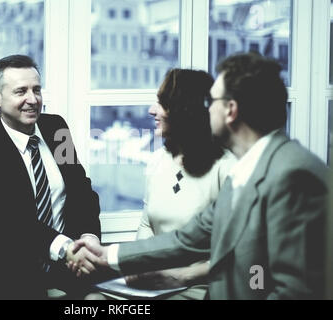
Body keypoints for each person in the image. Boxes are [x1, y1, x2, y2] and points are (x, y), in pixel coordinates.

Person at [70, 52, 330, 300]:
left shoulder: (295, 176)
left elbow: (292, 290)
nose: (205, 109)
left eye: (211, 102)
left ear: (231, 110)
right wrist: (109, 256)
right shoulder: (248, 169)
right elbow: (189, 240)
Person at [0, 54, 101, 299]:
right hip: (5, 265)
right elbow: (11, 223)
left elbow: (82, 189)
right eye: (20, 91)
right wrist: (67, 248)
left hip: (65, 261)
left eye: (36, 89)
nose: (32, 100)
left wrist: (88, 238)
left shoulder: (56, 128)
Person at [104, 69, 235, 300]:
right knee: (92, 300)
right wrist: (138, 267)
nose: (151, 111)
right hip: (155, 282)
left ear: (184, 111)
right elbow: (147, 224)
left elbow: (237, 254)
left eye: (161, 104)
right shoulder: (157, 161)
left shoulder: (226, 169)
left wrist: (180, 275)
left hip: (200, 285)